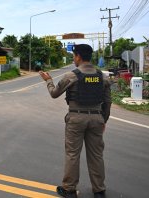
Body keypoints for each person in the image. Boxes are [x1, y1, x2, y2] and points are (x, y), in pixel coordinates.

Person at [39, 44, 111, 198]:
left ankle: (69, 190)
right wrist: (103, 120)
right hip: (97, 118)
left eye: (74, 56)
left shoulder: (72, 76)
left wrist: (48, 80)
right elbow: (108, 102)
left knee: (72, 154)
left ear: (78, 56)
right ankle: (99, 191)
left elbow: (54, 93)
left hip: (76, 119)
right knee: (96, 155)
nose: (73, 58)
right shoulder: (102, 77)